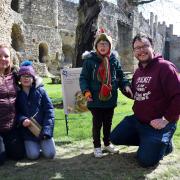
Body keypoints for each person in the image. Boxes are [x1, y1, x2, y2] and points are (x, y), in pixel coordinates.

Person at [110, 33, 180, 167]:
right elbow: (136, 94)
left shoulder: (165, 67)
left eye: (145, 46)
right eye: (137, 48)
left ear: (152, 47)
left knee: (146, 161)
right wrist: (121, 84)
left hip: (159, 123)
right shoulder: (138, 72)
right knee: (115, 137)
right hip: (139, 120)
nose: (141, 50)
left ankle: (164, 144)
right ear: (134, 51)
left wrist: (165, 119)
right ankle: (152, 143)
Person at [79, 29, 133, 158]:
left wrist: (125, 85)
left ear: (110, 46)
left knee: (108, 122)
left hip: (110, 98)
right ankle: (97, 146)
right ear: (96, 46)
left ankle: (107, 144)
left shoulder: (113, 60)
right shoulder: (89, 61)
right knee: (97, 124)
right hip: (94, 99)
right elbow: (83, 78)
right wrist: (86, 91)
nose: (103, 46)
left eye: (106, 44)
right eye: (100, 43)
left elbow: (120, 75)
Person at [16, 60, 56, 160]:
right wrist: (22, 119)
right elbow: (16, 112)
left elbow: (49, 110)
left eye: (29, 76)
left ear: (33, 78)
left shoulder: (41, 91)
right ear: (19, 78)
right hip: (28, 132)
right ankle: (34, 146)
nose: (26, 78)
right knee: (33, 156)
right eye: (23, 76)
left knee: (50, 154)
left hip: (42, 130)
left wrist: (47, 131)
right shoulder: (17, 94)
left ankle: (44, 144)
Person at [0, 45, 25, 165]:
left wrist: (37, 82)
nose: (3, 59)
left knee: (18, 155)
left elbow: (29, 76)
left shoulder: (14, 75)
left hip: (11, 127)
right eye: (0, 56)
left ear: (10, 59)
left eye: (6, 56)